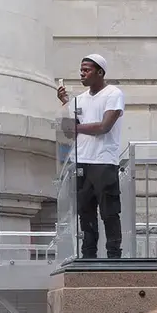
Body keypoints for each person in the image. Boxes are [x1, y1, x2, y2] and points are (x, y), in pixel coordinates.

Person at [57, 53, 125, 260]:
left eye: (87, 70)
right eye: (81, 70)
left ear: (100, 72)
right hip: (82, 162)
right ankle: (88, 257)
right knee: (85, 213)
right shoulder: (79, 99)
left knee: (109, 213)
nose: (82, 74)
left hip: (104, 162)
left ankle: (114, 257)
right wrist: (65, 103)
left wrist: (76, 128)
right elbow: (69, 129)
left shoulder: (113, 93)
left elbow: (104, 126)